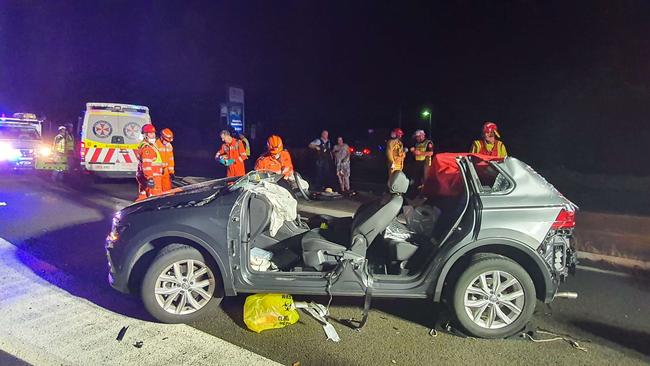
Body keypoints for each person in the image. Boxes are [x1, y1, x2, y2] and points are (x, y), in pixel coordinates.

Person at [136, 124, 163, 201]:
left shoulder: (149, 146)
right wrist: (150, 178)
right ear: (145, 135)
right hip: (153, 177)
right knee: (155, 199)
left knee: (143, 197)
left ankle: (138, 211)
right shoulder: (147, 148)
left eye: (153, 133)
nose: (153, 135)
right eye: (150, 133)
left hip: (147, 176)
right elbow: (147, 165)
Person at [156, 128, 175, 193]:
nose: (167, 142)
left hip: (166, 171)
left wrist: (171, 172)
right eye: (166, 140)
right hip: (157, 171)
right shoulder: (155, 145)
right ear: (161, 137)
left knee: (167, 190)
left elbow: (171, 159)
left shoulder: (169, 146)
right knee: (157, 189)